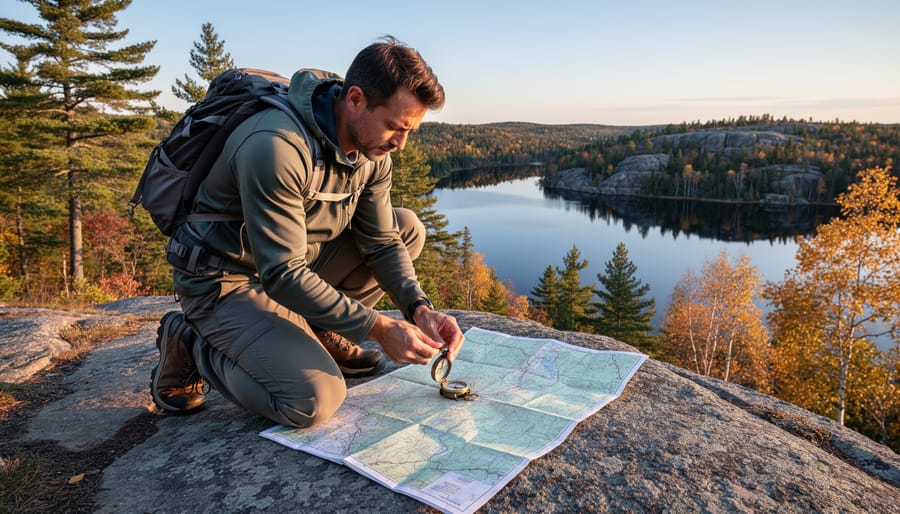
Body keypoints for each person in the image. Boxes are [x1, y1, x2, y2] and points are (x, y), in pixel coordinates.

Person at [150, 36, 465, 428]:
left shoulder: (370, 152)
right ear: (355, 99)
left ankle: (317, 329)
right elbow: (282, 273)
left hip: (290, 264)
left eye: (409, 131)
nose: (400, 144)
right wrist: (377, 328)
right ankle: (193, 343)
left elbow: (382, 242)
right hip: (226, 279)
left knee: (406, 229)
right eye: (394, 127)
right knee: (313, 400)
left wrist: (420, 309)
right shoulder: (276, 146)